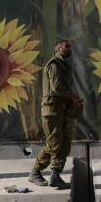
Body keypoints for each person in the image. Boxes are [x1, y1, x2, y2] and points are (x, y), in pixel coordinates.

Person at [28, 40, 83, 189]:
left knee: (64, 143)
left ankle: (56, 175)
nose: (69, 48)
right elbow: (56, 89)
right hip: (51, 110)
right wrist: (72, 97)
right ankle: (35, 172)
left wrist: (72, 103)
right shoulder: (55, 65)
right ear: (59, 48)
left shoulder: (63, 66)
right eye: (67, 46)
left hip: (60, 110)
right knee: (54, 143)